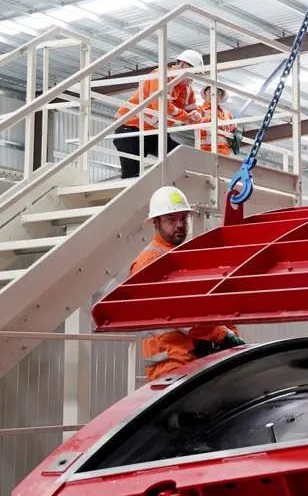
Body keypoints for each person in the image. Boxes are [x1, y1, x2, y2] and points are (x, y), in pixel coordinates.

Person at [131, 186, 245, 381]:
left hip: (194, 360)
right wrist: (221, 335)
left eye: (184, 218)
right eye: (171, 219)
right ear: (156, 222)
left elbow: (208, 303)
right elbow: (178, 314)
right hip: (171, 364)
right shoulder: (148, 262)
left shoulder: (185, 258)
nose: (180, 224)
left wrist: (230, 332)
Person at [113, 50, 204, 179]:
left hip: (156, 133)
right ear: (183, 65)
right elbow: (161, 106)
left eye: (199, 74)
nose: (195, 78)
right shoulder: (160, 75)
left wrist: (196, 115)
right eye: (195, 73)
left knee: (182, 156)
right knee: (132, 177)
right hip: (131, 129)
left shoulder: (187, 89)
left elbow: (192, 113)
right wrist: (185, 116)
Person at [197, 85, 241, 156]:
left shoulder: (227, 114)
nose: (213, 94)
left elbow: (234, 129)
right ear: (206, 95)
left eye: (217, 92)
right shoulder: (199, 109)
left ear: (221, 97)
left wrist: (237, 133)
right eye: (210, 92)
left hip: (224, 151)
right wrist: (213, 119)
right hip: (205, 149)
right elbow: (194, 122)